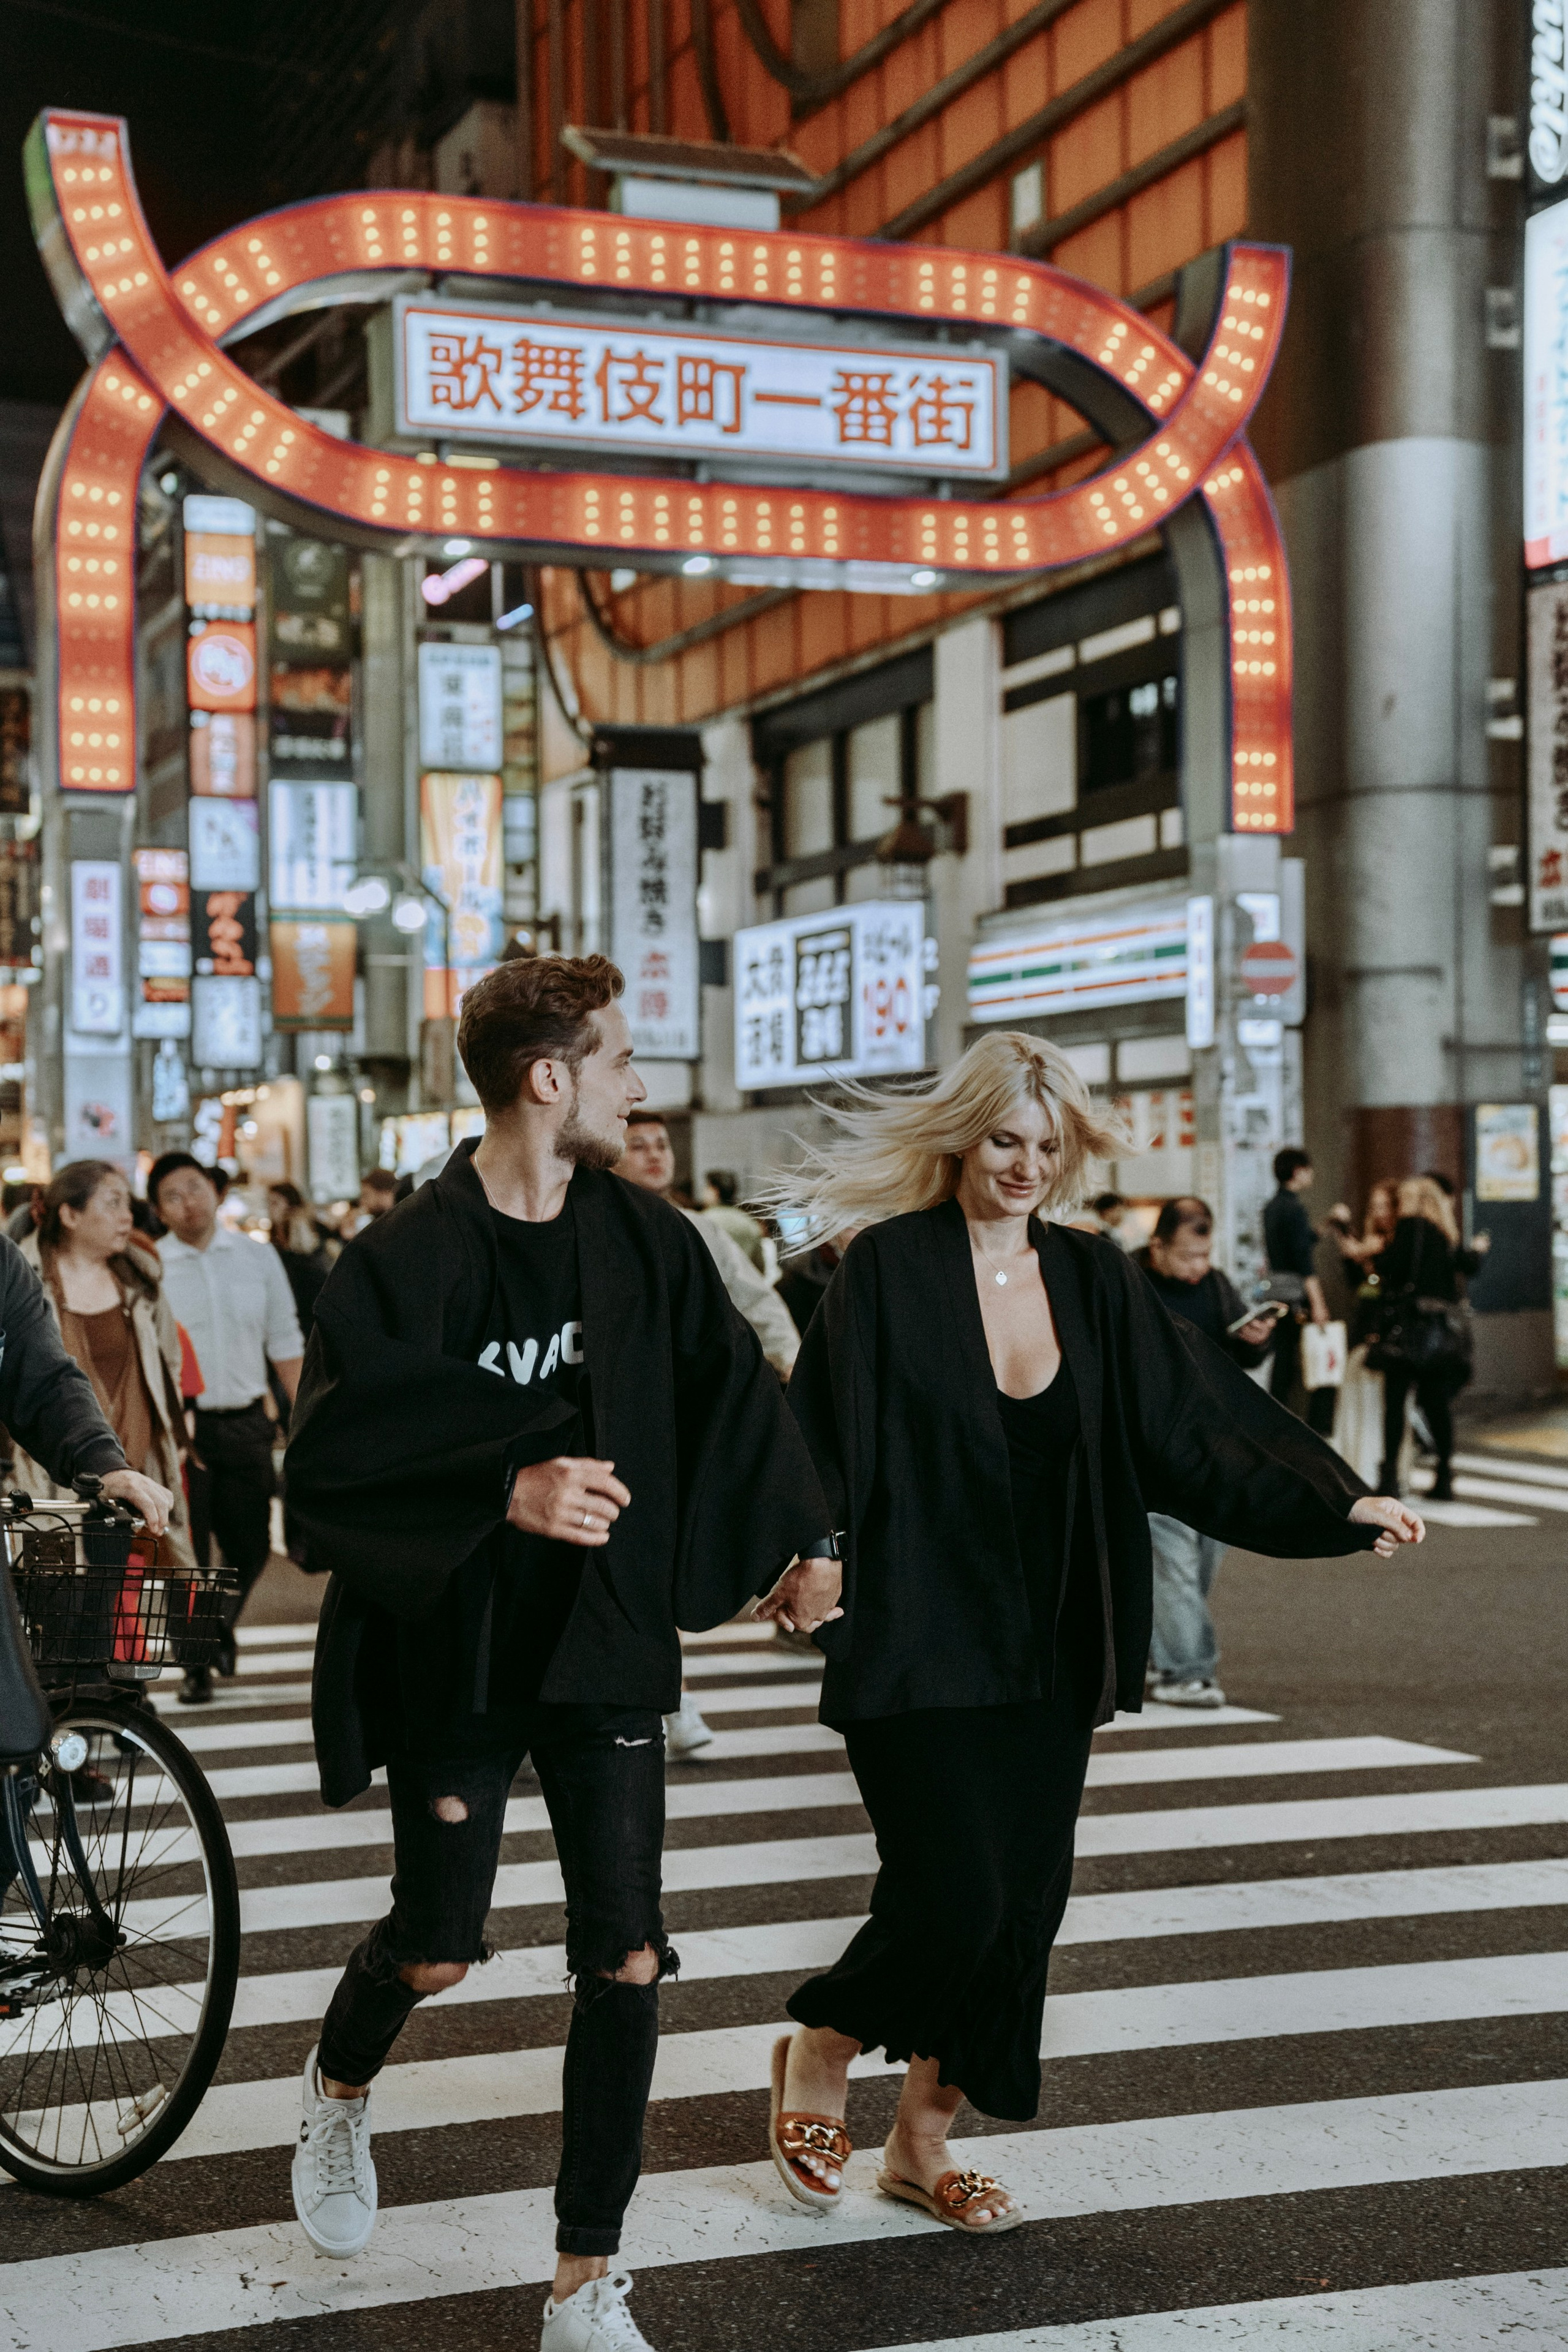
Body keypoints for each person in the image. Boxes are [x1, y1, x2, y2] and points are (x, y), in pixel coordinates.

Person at [760, 1033, 1423, 2231]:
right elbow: (816, 1435)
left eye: (1046, 1144)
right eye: (1005, 1139)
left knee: (1021, 1909)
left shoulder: (1091, 1276)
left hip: (1052, 1637)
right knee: (953, 1893)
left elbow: (1193, 1424)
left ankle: (919, 2146)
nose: (1025, 1164)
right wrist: (809, 1555)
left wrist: (1333, 1501)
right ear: (962, 1137)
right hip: (916, 1628)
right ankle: (825, 2039)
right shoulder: (886, 1270)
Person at [282, 953, 832, 2352]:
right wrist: (505, 1483)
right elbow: (332, 1467)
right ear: (550, 1076)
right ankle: (339, 2086)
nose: (638, 1087)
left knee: (627, 1955)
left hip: (602, 1641)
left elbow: (730, 1393)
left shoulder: (642, 1240)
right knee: (438, 1944)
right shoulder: (404, 1256)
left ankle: (585, 2281)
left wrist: (796, 1540)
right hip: (456, 1645)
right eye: (621, 1060)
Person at [617, 1107, 804, 1754]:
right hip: (616, 1427)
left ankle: (667, 1700)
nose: (653, 1155)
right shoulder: (587, 1224)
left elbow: (758, 1304)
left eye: (660, 1144)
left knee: (653, 1567)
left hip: (685, 1428)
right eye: (635, 1144)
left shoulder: (696, 1228)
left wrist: (792, 1373)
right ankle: (659, 1702)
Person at [149, 1151, 305, 1702]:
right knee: (186, 1550)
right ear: (160, 1211)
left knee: (252, 1543)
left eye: (195, 1188)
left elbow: (285, 1341)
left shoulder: (257, 1259)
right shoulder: (152, 1265)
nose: (188, 1201)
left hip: (245, 1424)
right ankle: (194, 1666)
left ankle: (217, 1627)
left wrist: (307, 1414)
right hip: (179, 1436)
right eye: (172, 1195)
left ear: (215, 1192)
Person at [1131, 1196, 1281, 1708]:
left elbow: (1239, 1349)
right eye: (1188, 1256)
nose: (1199, 1267)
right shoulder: (1129, 1282)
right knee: (1171, 1555)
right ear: (1158, 1247)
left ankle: (1160, 1651)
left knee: (1205, 1553)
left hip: (1212, 1443)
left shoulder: (1216, 1285)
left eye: (1205, 1255)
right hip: (1148, 1444)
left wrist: (1256, 1340)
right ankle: (1185, 1671)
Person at [10, 1161, 194, 1565]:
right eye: (112, 1204)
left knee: (121, 1597)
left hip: (129, 1467)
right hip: (47, 1477)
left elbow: (168, 1365)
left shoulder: (139, 1281)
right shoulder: (26, 1278)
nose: (126, 1216)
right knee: (59, 1599)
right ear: (70, 1214)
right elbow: (36, 1380)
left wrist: (171, 1431)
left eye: (127, 1204)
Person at [1373, 1174, 1488, 1501]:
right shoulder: (1444, 1234)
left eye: (1404, 1198)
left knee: (1395, 1405)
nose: (1399, 1204)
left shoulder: (1409, 1229)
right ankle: (1444, 1475)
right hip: (1441, 1337)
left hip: (1408, 1332)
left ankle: (1390, 1478)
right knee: (1437, 1406)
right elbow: (1465, 1268)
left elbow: (1392, 1269)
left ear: (1417, 1200)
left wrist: (1376, 1252)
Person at [1262, 1145, 1332, 1430]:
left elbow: (1295, 1245)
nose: (1311, 1173)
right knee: (1300, 1359)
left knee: (1283, 1356)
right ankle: (1310, 1425)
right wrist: (1318, 1303)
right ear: (1297, 1171)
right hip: (1296, 1293)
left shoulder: (1272, 1207)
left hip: (1275, 1289)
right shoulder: (1295, 1208)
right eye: (1308, 1168)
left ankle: (1274, 1418)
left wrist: (1323, 1228)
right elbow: (1303, 1261)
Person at [267, 1181, 332, 1340]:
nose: (270, 1209)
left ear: (290, 1204)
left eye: (275, 1203)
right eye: (268, 1203)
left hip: (310, 1313)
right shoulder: (275, 1235)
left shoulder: (308, 1230)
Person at [702, 1170, 768, 1272]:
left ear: (715, 1191)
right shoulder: (749, 1223)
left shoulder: (703, 1221)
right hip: (744, 1285)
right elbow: (760, 1266)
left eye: (707, 1188)